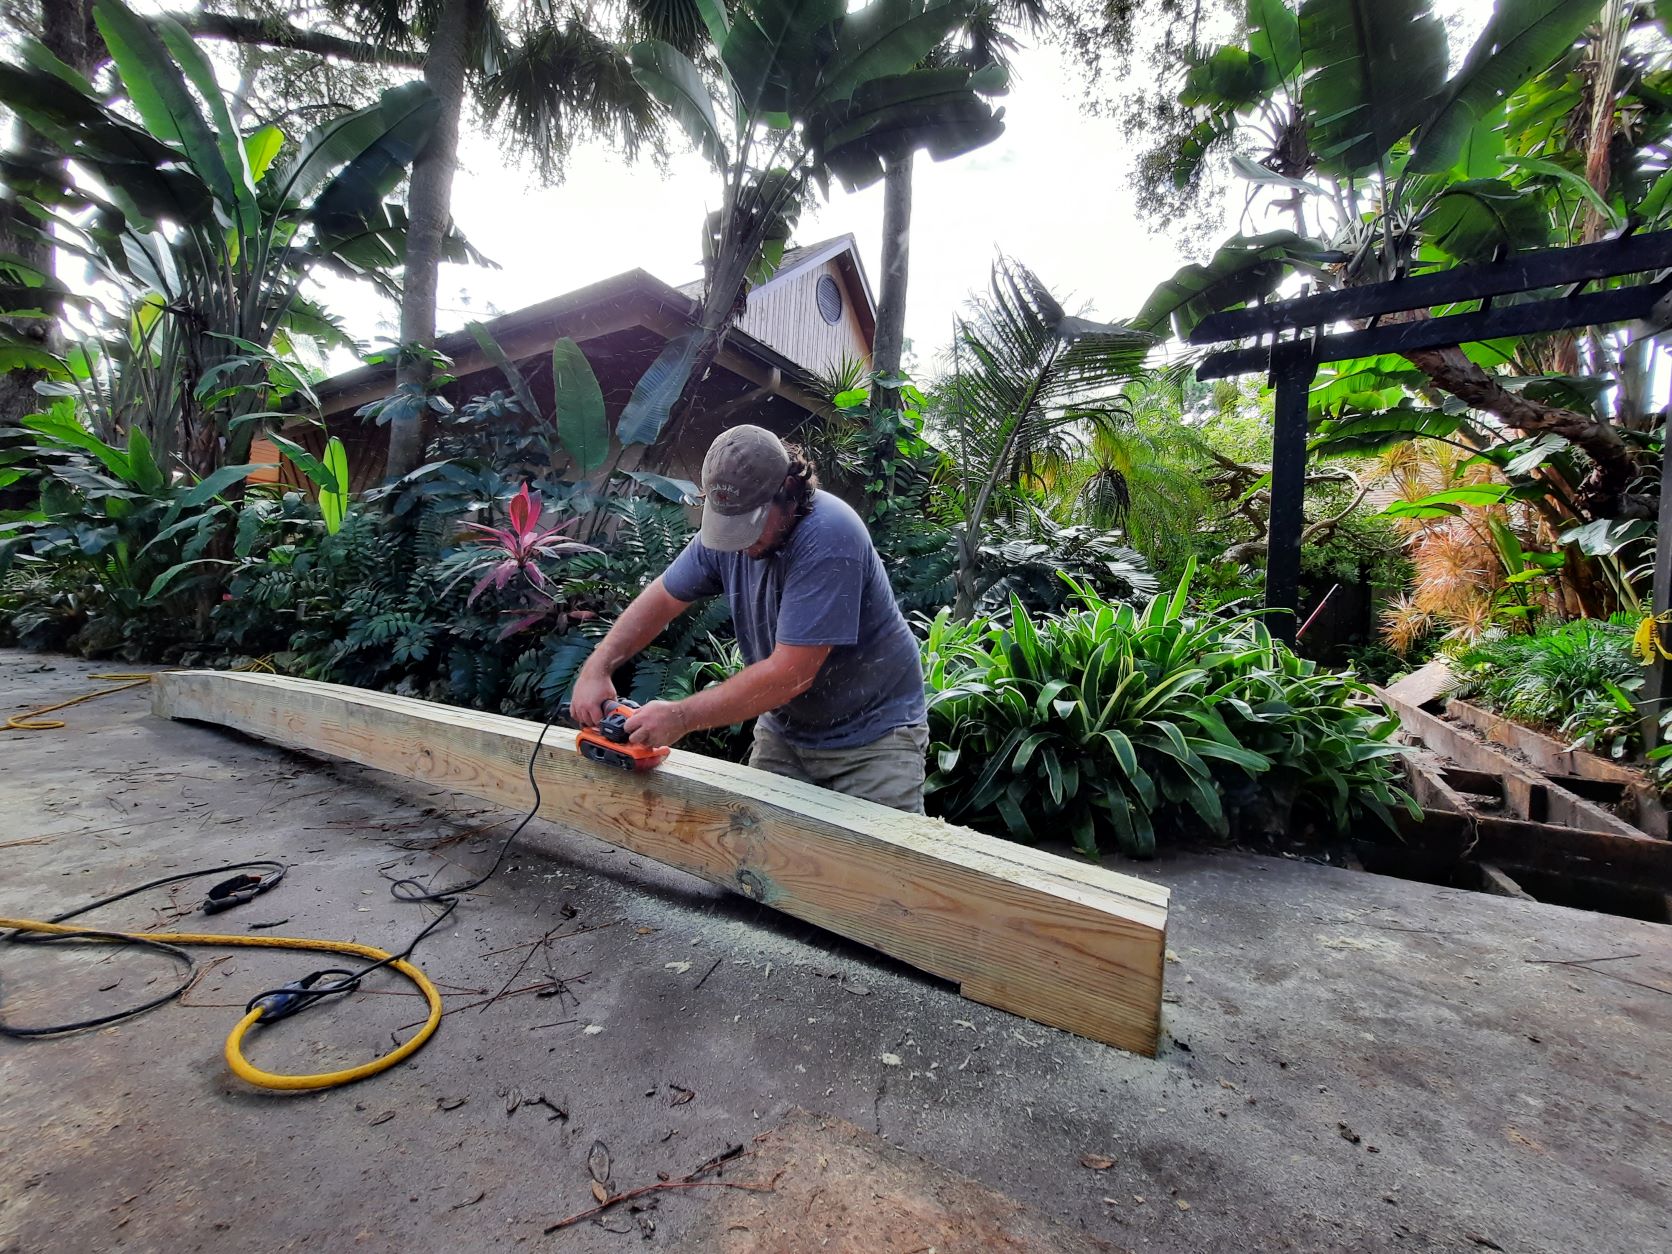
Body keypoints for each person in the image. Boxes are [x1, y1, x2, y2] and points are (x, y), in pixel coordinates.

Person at [569, 424, 929, 812]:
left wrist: (681, 716)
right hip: (787, 730)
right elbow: (661, 599)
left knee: (879, 850)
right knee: (754, 840)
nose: (737, 541)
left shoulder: (830, 535)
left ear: (788, 490)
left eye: (749, 525)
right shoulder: (730, 530)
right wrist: (597, 668)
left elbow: (791, 675)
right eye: (728, 524)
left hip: (874, 739)